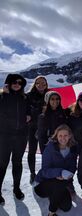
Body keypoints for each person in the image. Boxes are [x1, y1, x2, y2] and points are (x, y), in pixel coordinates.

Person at [33, 124, 77, 216]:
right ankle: (51, 212)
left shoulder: (72, 148)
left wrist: (70, 174)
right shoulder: (50, 148)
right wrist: (60, 172)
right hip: (42, 185)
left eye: (65, 135)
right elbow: (44, 171)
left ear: (69, 136)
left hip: (61, 183)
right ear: (56, 136)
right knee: (58, 184)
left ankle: (54, 195)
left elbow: (73, 166)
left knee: (66, 207)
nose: (63, 138)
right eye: (60, 135)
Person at [0, 74, 31, 205]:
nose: (17, 84)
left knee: (17, 163)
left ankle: (16, 188)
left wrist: (29, 115)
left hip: (20, 136)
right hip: (4, 136)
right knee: (2, 164)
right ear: (8, 83)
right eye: (14, 82)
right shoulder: (2, 97)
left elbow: (29, 111)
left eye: (19, 82)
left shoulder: (25, 98)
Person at [27, 76, 49, 184]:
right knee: (32, 151)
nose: (41, 85)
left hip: (45, 128)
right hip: (32, 127)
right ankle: (32, 173)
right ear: (35, 84)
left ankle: (45, 172)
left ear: (46, 85)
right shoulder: (28, 96)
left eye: (43, 83)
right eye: (38, 83)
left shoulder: (50, 95)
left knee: (46, 152)